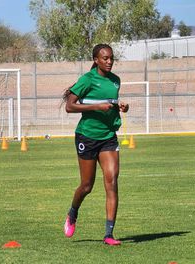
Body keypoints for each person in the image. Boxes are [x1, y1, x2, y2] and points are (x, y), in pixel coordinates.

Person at [63, 44, 129, 246]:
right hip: (87, 136)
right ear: (96, 60)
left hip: (108, 136)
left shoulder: (115, 81)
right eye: (105, 58)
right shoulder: (87, 80)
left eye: (111, 58)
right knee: (87, 185)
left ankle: (109, 234)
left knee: (112, 181)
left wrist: (122, 107)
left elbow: (112, 104)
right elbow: (70, 106)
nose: (109, 62)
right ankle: (73, 212)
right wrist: (96, 107)